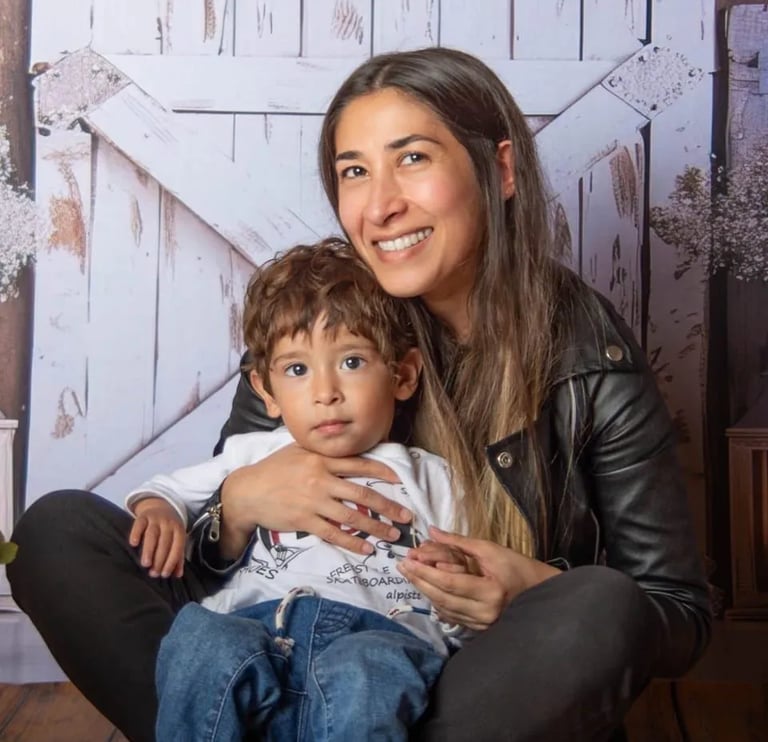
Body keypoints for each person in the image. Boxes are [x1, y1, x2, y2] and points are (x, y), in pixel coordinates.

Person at [8, 46, 711, 742]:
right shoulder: (322, 317)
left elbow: (676, 614)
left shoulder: (589, 354)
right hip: (271, 654)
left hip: (444, 677)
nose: (380, 206)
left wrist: (531, 589)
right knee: (57, 530)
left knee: (601, 603)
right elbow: (216, 574)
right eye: (354, 171)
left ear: (499, 170)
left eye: (413, 158)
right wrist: (236, 507)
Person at [130, 239, 466, 741]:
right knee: (199, 638)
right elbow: (168, 490)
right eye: (297, 369)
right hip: (260, 627)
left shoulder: (432, 478)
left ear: (403, 375)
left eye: (351, 362)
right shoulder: (255, 453)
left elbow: (470, 594)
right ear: (266, 392)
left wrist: (455, 577)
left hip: (378, 631)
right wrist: (158, 509)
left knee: (369, 672)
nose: (325, 392)